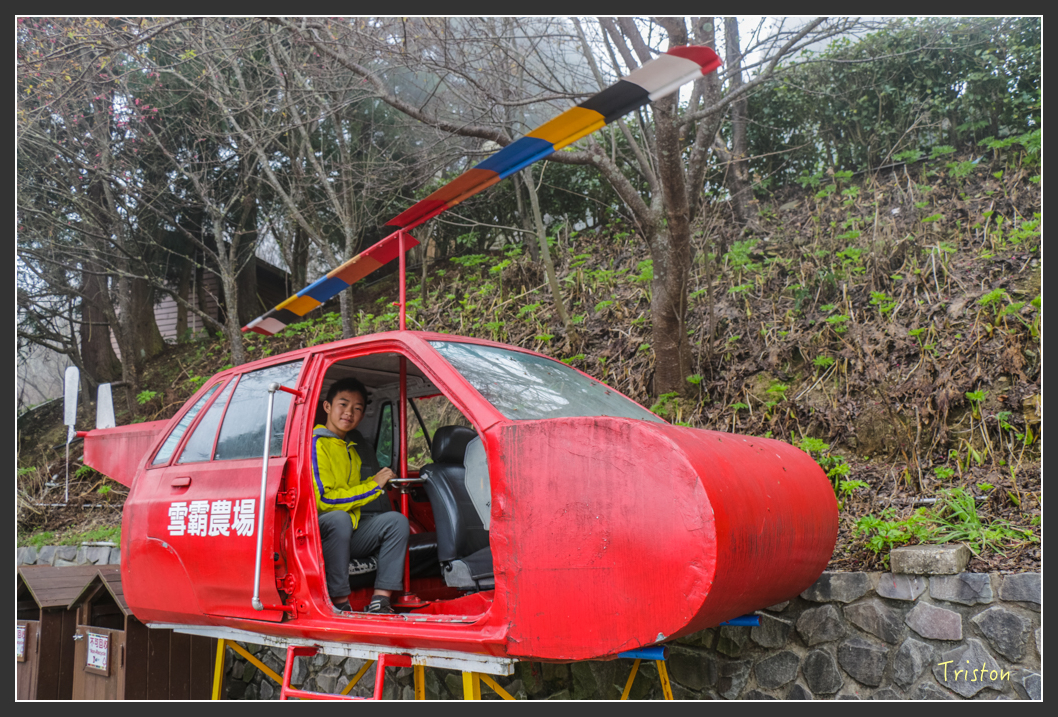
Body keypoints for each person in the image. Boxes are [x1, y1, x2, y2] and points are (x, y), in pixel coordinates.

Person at [312, 377, 408, 614]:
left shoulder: (351, 449)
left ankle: (380, 601)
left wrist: (378, 481)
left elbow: (354, 491)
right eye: (343, 405)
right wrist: (373, 486)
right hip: (319, 532)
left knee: (396, 521)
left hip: (350, 530)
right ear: (327, 407)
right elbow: (325, 500)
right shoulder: (316, 445)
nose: (349, 413)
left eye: (357, 409)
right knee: (338, 517)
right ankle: (340, 601)